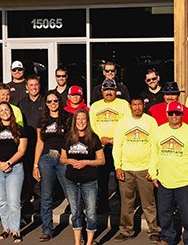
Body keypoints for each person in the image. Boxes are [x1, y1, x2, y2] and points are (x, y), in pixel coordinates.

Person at [149, 101, 188, 245]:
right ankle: (167, 237)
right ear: (166, 114)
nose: (174, 116)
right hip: (164, 180)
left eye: (177, 113)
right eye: (171, 113)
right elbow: (154, 154)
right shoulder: (159, 131)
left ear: (182, 115)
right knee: (164, 213)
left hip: (184, 181)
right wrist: (153, 174)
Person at [110, 97, 160, 242]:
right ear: (130, 106)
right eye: (134, 104)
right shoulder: (123, 122)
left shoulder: (150, 121)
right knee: (127, 203)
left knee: (149, 203)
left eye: (139, 104)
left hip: (145, 169)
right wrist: (118, 166)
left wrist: (152, 169)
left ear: (143, 105)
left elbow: (155, 147)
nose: (137, 107)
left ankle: (154, 230)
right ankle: (126, 230)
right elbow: (117, 145)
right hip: (126, 169)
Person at [61, 109, 105, 245]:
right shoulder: (68, 137)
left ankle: (89, 242)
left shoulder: (94, 137)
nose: (80, 122)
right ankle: (77, 242)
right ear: (74, 121)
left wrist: (87, 162)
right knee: (75, 212)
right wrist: (70, 161)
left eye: (83, 119)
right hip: (71, 180)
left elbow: (102, 160)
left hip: (89, 181)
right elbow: (62, 158)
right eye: (78, 119)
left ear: (87, 121)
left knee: (91, 213)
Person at [0, 102, 29, 242]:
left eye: (7, 110)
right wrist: (0, 164)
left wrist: (9, 163)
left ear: (11, 112)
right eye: (1, 110)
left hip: (15, 169)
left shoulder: (20, 130)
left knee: (14, 201)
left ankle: (16, 230)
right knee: (2, 201)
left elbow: (22, 150)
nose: (4, 112)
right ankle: (6, 228)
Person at [33, 92, 72, 242]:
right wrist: (35, 165)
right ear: (46, 104)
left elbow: (70, 139)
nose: (53, 103)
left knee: (71, 194)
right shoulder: (42, 120)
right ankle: (47, 230)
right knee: (46, 195)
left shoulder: (68, 117)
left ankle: (79, 228)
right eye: (49, 101)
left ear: (59, 101)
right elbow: (40, 143)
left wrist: (64, 156)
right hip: (46, 159)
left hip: (63, 158)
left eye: (55, 100)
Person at [89, 78, 129, 215]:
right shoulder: (95, 106)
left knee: (121, 178)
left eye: (111, 89)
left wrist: (116, 138)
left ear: (116, 90)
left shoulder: (123, 104)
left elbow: (127, 123)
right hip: (101, 146)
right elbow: (92, 125)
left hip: (119, 145)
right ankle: (103, 207)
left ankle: (123, 208)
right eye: (106, 89)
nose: (109, 92)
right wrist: (101, 138)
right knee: (102, 179)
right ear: (102, 91)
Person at [16, 75, 44, 222]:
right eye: (31, 85)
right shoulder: (22, 103)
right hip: (27, 143)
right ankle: (27, 202)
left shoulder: (45, 101)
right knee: (27, 174)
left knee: (41, 173)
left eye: (36, 85)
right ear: (26, 88)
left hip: (41, 143)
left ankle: (42, 203)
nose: (34, 88)